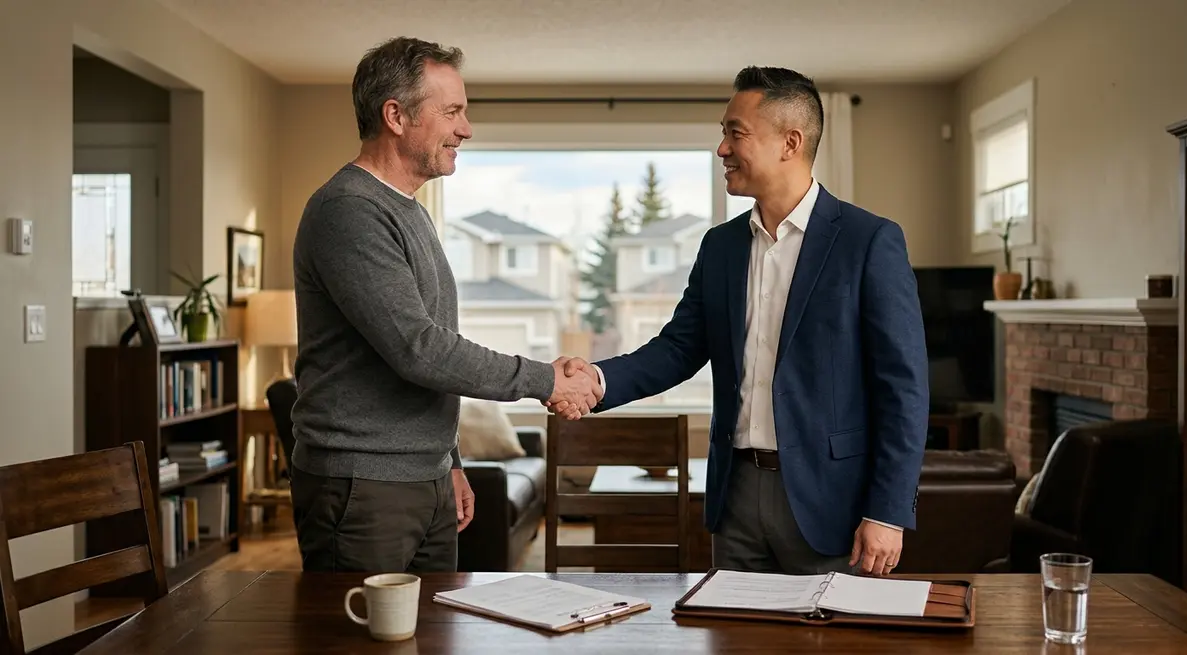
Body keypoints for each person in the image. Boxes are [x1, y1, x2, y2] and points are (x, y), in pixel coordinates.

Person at [552, 66, 928, 577]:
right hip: (735, 495)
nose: (721, 149)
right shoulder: (720, 246)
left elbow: (903, 388)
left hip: (831, 502)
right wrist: (595, 381)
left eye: (735, 132)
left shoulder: (870, 241)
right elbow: (678, 349)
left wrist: (887, 511)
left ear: (789, 143)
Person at [289, 36, 600, 574]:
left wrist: (447, 461)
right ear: (396, 116)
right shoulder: (349, 211)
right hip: (364, 484)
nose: (466, 128)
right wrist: (545, 380)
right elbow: (421, 349)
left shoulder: (408, 211)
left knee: (433, 639)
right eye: (452, 111)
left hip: (421, 478)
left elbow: (427, 350)